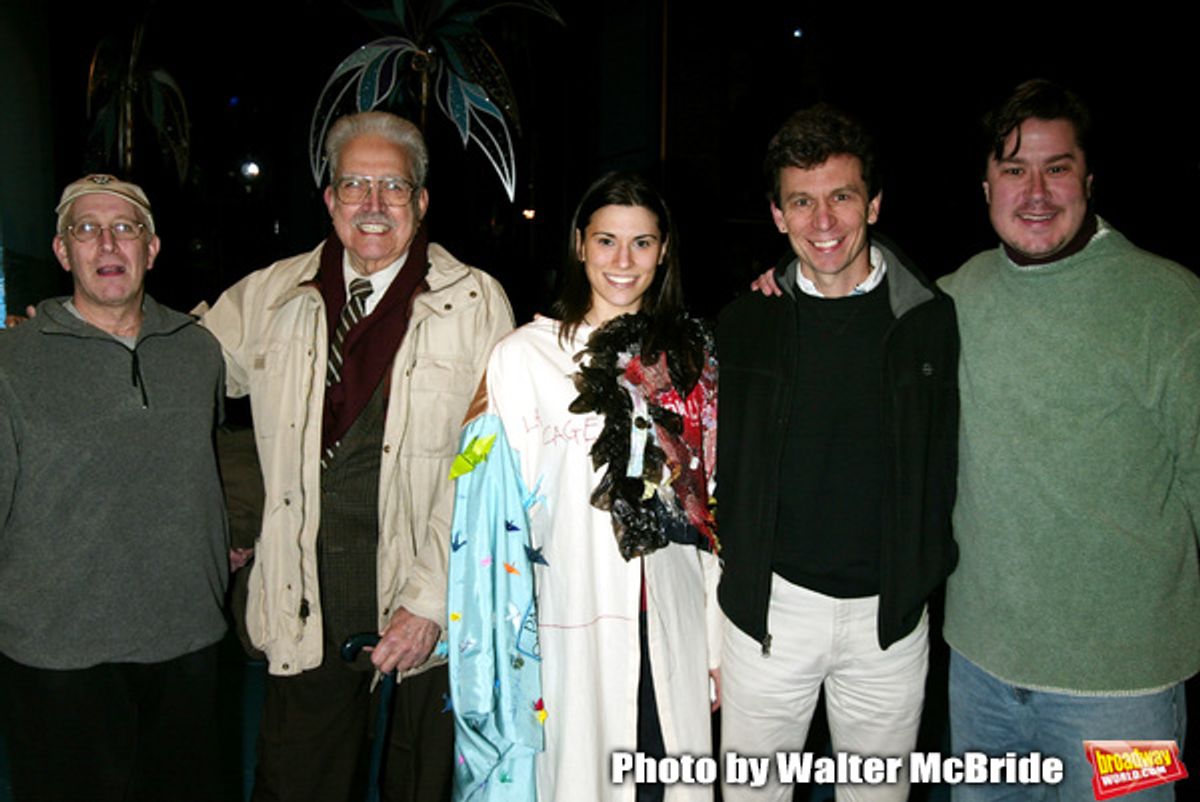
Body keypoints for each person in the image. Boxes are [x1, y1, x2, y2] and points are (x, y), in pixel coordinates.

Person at [201, 111, 514, 802]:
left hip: (424, 614)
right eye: (354, 185)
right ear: (329, 199)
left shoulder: (474, 303)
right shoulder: (271, 294)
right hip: (305, 606)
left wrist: (431, 599)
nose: (373, 205)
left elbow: (485, 464)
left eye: (393, 187)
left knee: (420, 789)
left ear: (422, 201)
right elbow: (180, 369)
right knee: (294, 786)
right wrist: (96, 330)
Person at [939, 79, 1199, 800]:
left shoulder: (1170, 306)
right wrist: (783, 281)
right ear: (986, 183)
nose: (1036, 192)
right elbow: (853, 295)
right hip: (980, 677)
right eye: (1014, 170)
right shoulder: (956, 298)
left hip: (1127, 692)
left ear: (1088, 178)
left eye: (1057, 168)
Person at [447, 172, 720, 802]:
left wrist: (718, 644)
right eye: (606, 241)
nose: (623, 262)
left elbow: (710, 503)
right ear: (578, 245)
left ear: (665, 250)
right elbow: (485, 512)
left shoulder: (692, 361)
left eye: (643, 243)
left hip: (673, 619)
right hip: (568, 621)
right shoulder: (522, 358)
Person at [718, 105, 959, 802]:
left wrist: (921, 578)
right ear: (777, 215)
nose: (823, 221)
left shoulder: (931, 322)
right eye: (802, 201)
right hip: (771, 615)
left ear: (874, 203)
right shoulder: (745, 324)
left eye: (842, 197)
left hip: (888, 623)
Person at [0, 174, 230, 802]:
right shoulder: (12, 361)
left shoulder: (198, 349)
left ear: (151, 249)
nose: (107, 243)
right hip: (57, 652)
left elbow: (204, 461)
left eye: (125, 228)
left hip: (186, 637)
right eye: (87, 229)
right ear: (61, 250)